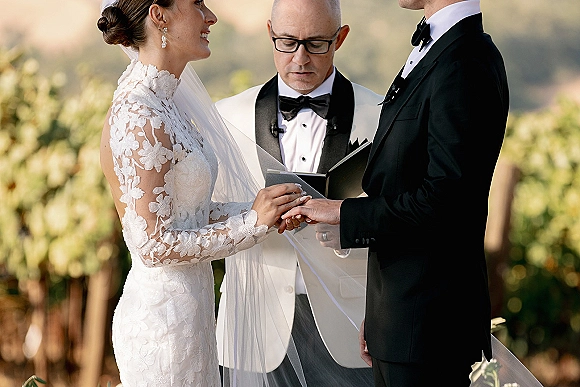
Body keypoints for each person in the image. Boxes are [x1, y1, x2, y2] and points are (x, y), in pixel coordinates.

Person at [282, 0, 510, 385]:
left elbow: (445, 204)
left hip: (431, 334)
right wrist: (381, 312)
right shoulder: (441, 48)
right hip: (404, 324)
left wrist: (343, 212)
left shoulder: (465, 61)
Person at [97, 0, 310, 385]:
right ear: (159, 15)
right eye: (196, 3)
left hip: (191, 317)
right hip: (162, 328)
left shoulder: (166, 104)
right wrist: (251, 224)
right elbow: (154, 245)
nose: (210, 16)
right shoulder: (138, 114)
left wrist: (263, 209)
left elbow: (187, 215)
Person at [214, 0, 381, 385]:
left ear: (341, 37)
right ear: (270, 32)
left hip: (349, 325)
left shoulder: (381, 114)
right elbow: (206, 213)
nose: (300, 58)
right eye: (287, 42)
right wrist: (254, 218)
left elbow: (398, 217)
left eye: (316, 43)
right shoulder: (224, 117)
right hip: (253, 327)